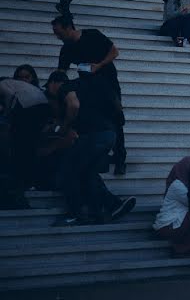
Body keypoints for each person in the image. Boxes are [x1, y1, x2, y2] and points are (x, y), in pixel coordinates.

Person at [50, 73, 136, 226]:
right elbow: (116, 106)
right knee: (88, 172)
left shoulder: (66, 87)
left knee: (68, 171)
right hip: (109, 134)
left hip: (93, 135)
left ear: (55, 83)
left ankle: (76, 214)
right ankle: (112, 205)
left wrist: (65, 126)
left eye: (50, 87)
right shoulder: (93, 87)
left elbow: (73, 105)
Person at [53, 15, 127, 175]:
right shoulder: (66, 48)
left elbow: (115, 51)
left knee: (115, 118)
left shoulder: (92, 35)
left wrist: (98, 65)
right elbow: (61, 71)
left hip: (108, 82)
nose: (58, 37)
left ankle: (120, 158)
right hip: (87, 87)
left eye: (59, 33)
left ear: (68, 27)